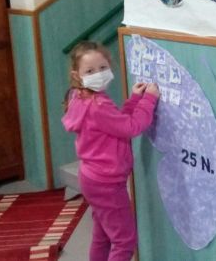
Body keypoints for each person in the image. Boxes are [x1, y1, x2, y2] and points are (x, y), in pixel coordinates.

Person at [62, 41, 160, 261]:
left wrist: (134, 100)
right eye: (90, 71)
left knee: (103, 235)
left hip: (92, 179)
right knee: (124, 241)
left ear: (110, 66)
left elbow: (115, 124)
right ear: (77, 75)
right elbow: (132, 127)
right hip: (107, 183)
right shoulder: (97, 104)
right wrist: (149, 100)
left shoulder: (80, 97)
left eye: (102, 67)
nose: (98, 74)